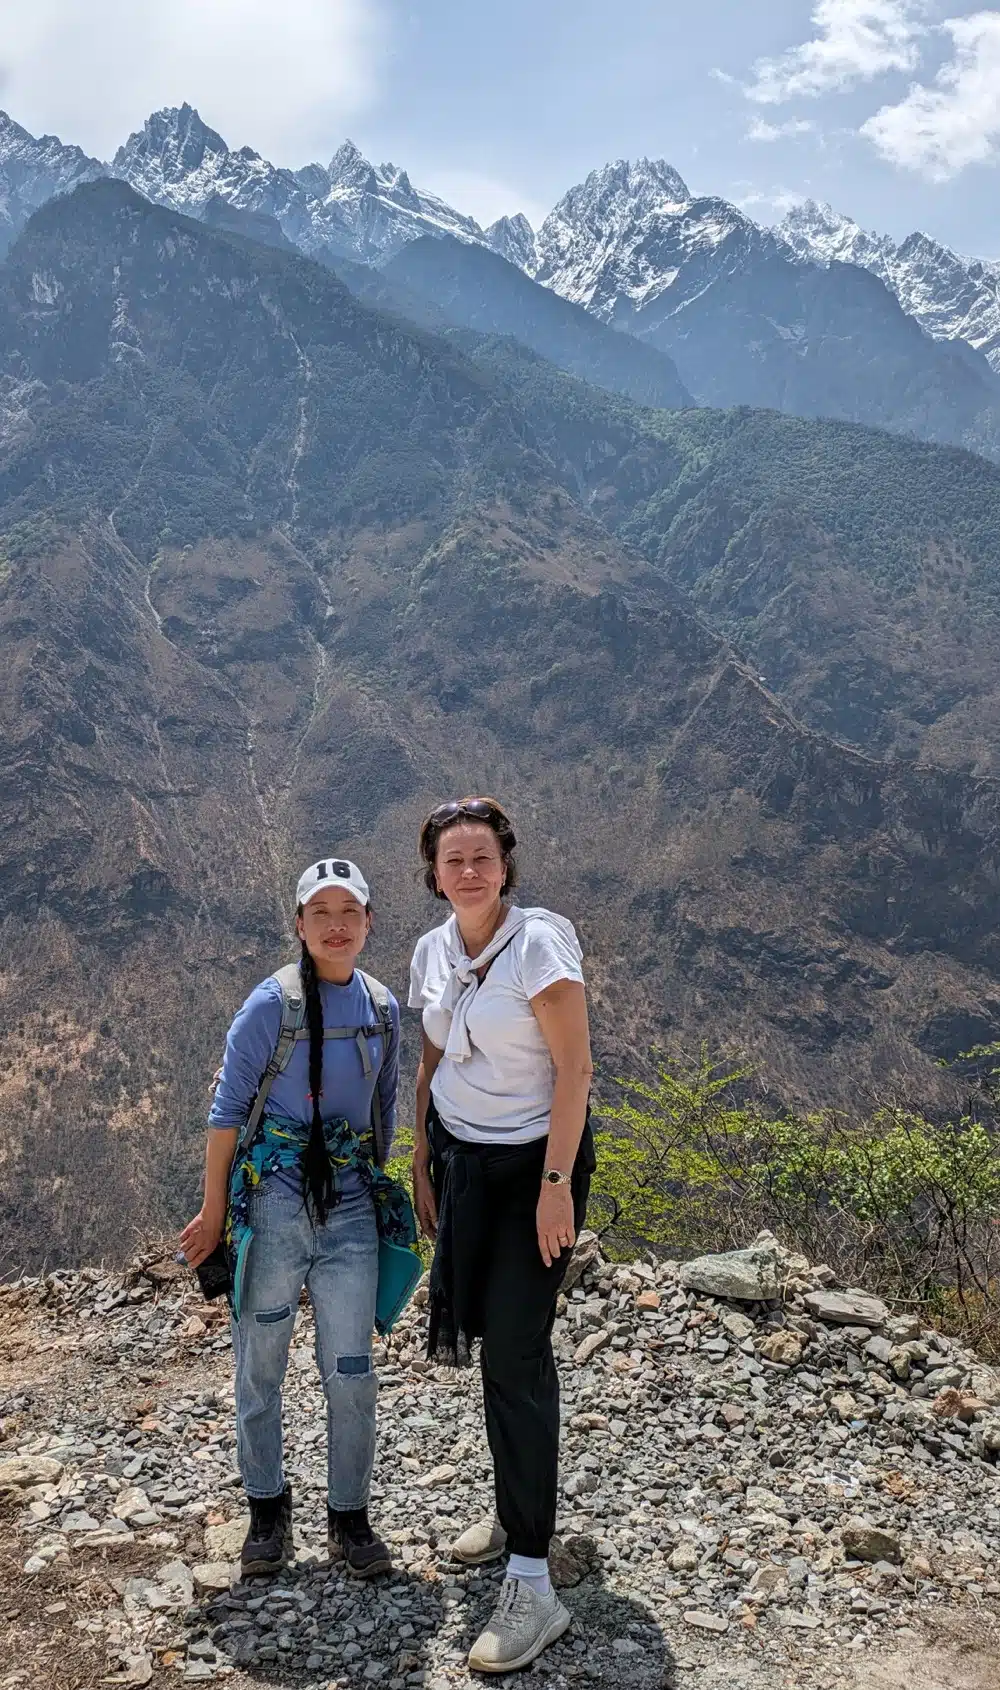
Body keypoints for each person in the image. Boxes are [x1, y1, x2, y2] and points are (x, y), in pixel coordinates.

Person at [408, 797, 595, 1675]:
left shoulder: (538, 946)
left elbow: (576, 1068)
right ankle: (517, 1512)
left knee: (518, 1354)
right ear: (434, 875)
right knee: (491, 1344)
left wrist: (556, 1189)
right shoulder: (434, 951)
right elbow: (432, 1053)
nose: (469, 872)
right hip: (463, 1164)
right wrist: (420, 1153)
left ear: (506, 865)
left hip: (531, 1172)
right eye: (454, 861)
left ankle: (533, 1581)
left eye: (482, 857)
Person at [180, 858, 400, 1580]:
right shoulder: (270, 1006)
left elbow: (384, 1110)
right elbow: (225, 1114)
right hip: (274, 1203)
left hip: (351, 1205)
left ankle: (350, 1518)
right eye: (320, 913)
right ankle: (266, 1512)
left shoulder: (381, 1007)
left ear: (368, 921)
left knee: (352, 1369)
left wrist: (389, 1194)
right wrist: (213, 1211)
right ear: (300, 925)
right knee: (260, 1362)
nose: (336, 926)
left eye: (349, 912)